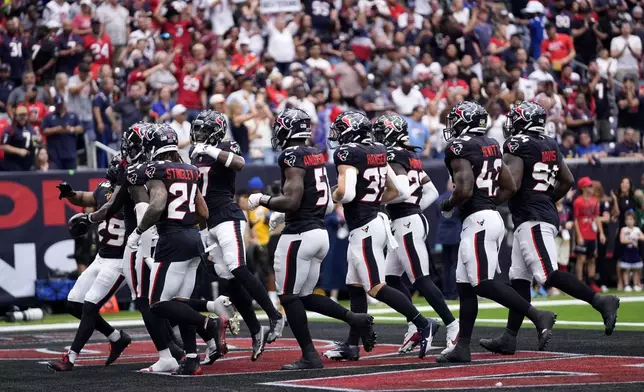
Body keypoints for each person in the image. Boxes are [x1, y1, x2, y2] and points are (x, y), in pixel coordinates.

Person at [478, 101, 619, 356]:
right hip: (537, 213)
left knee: (547, 273)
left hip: (532, 215)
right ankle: (509, 338)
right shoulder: (550, 143)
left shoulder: (516, 144)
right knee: (519, 280)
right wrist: (545, 198)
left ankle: (600, 301)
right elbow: (567, 180)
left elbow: (514, 182)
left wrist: (489, 201)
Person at [247, 108, 374, 370]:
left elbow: (292, 201)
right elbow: (322, 197)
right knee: (304, 295)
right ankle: (355, 319)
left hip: (298, 236)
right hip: (318, 233)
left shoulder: (291, 155)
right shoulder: (316, 154)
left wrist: (263, 200)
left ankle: (309, 355)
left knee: (289, 297)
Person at [437, 101, 557, 363]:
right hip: (486, 218)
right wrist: (490, 204)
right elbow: (510, 186)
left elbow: (465, 187)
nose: (452, 126)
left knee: (482, 283)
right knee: (465, 287)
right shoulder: (491, 144)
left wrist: (448, 204)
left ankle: (537, 315)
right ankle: (463, 347)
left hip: (478, 221)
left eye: (455, 120)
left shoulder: (460, 146)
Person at [323, 111, 438, 361]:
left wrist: (331, 197)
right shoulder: (378, 150)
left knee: (375, 287)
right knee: (354, 287)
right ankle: (352, 344)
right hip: (371, 222)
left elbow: (348, 193)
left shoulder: (349, 153)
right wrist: (374, 201)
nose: (337, 136)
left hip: (364, 226)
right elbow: (396, 190)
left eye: (340, 130)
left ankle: (422, 323)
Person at [125, 125, 227, 375]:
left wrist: (138, 232)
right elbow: (203, 211)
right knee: (181, 303)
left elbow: (158, 203)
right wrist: (199, 234)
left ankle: (209, 324)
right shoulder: (191, 170)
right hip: (193, 238)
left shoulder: (156, 169)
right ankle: (192, 359)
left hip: (172, 240)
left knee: (158, 303)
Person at [189, 110, 285, 361]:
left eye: (203, 129)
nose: (198, 134)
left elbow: (239, 164)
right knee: (227, 280)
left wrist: (210, 150)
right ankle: (256, 330)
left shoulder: (224, 145)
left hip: (227, 215)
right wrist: (202, 231)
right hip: (209, 222)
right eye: (197, 129)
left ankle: (274, 314)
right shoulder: (193, 152)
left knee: (238, 268)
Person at [372, 113, 460, 355]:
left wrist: (384, 202)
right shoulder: (408, 154)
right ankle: (414, 324)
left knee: (420, 278)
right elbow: (430, 191)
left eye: (381, 132)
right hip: (407, 221)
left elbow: (401, 191)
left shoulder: (395, 155)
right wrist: (413, 209)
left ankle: (453, 325)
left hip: (406, 223)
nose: (377, 136)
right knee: (390, 279)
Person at [47, 157, 132, 371]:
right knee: (74, 303)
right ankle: (115, 337)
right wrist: (70, 194)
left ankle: (71, 357)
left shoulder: (133, 192)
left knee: (90, 305)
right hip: (102, 257)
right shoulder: (105, 188)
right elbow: (87, 198)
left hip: (120, 260)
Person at [574, 176, 606, 293]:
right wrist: (579, 236)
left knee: (592, 258)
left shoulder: (594, 200)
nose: (591, 187)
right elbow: (576, 219)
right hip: (583, 234)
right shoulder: (578, 201)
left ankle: (591, 283)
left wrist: (601, 233)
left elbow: (597, 217)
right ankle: (579, 283)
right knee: (581, 259)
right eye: (589, 185)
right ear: (583, 188)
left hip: (593, 235)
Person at [42, 95, 83, 170]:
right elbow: (44, 131)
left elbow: (81, 128)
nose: (60, 107)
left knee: (72, 178)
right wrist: (57, 129)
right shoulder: (49, 117)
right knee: (55, 179)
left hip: (70, 154)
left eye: (61, 105)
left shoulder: (73, 115)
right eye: (58, 105)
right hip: (54, 155)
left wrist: (71, 129)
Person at [1, 106, 37, 171]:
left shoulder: (31, 129)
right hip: (13, 164)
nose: (22, 118)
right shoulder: (10, 129)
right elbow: (3, 146)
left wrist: (37, 141)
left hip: (28, 164)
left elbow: (34, 143)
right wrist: (18, 151)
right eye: (20, 115)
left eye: (24, 115)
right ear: (16, 116)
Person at [620, 210, 644, 291]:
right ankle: (626, 284)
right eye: (627, 219)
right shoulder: (624, 229)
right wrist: (631, 240)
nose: (629, 221)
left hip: (635, 251)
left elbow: (642, 237)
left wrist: (637, 237)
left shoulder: (637, 229)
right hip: (627, 251)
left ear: (634, 220)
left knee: (635, 269)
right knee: (626, 269)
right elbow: (622, 240)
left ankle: (635, 284)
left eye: (631, 219)